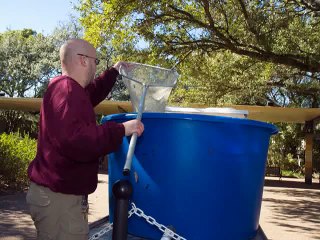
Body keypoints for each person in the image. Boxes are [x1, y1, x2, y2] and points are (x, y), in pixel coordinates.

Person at [26, 39, 144, 240]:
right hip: (60, 201)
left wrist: (114, 71)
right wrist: (121, 129)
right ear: (83, 61)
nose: (95, 65)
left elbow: (93, 92)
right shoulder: (68, 91)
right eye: (95, 61)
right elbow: (75, 139)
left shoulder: (66, 89)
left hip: (56, 197)